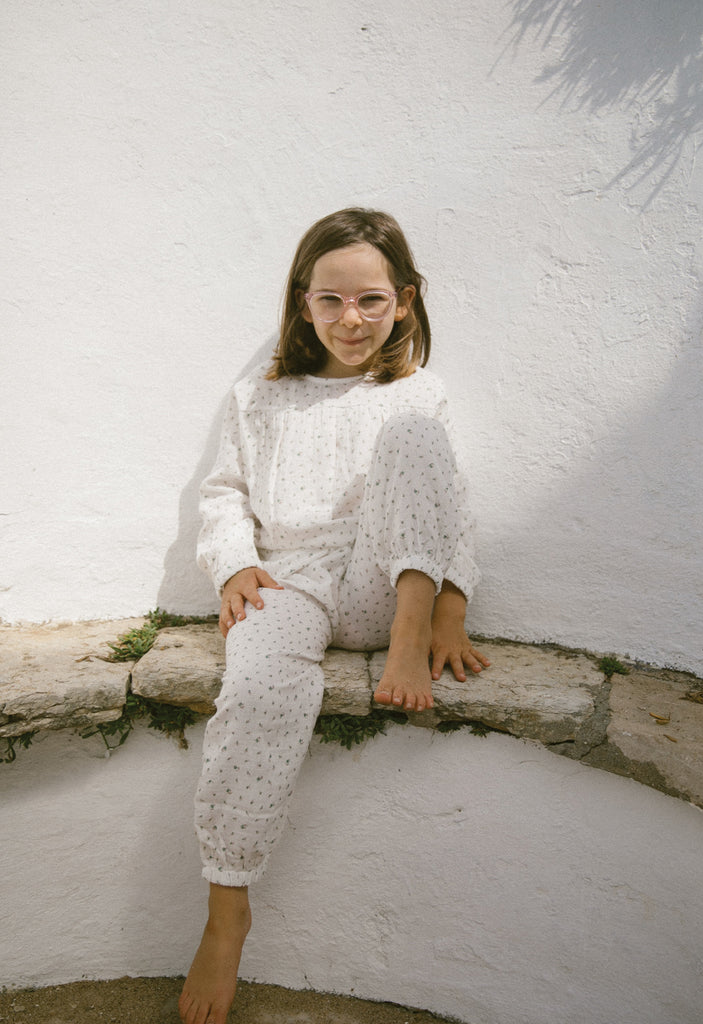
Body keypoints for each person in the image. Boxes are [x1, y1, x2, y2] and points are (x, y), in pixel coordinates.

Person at [179, 208, 489, 1024]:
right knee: (256, 690)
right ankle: (226, 910)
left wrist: (448, 608)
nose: (352, 319)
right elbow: (224, 495)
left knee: (420, 438)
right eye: (331, 301)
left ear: (406, 302)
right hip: (294, 581)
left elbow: (451, 503)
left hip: (391, 585)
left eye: (373, 301)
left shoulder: (420, 393)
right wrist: (235, 564)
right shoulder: (260, 397)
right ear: (303, 301)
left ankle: (410, 642)